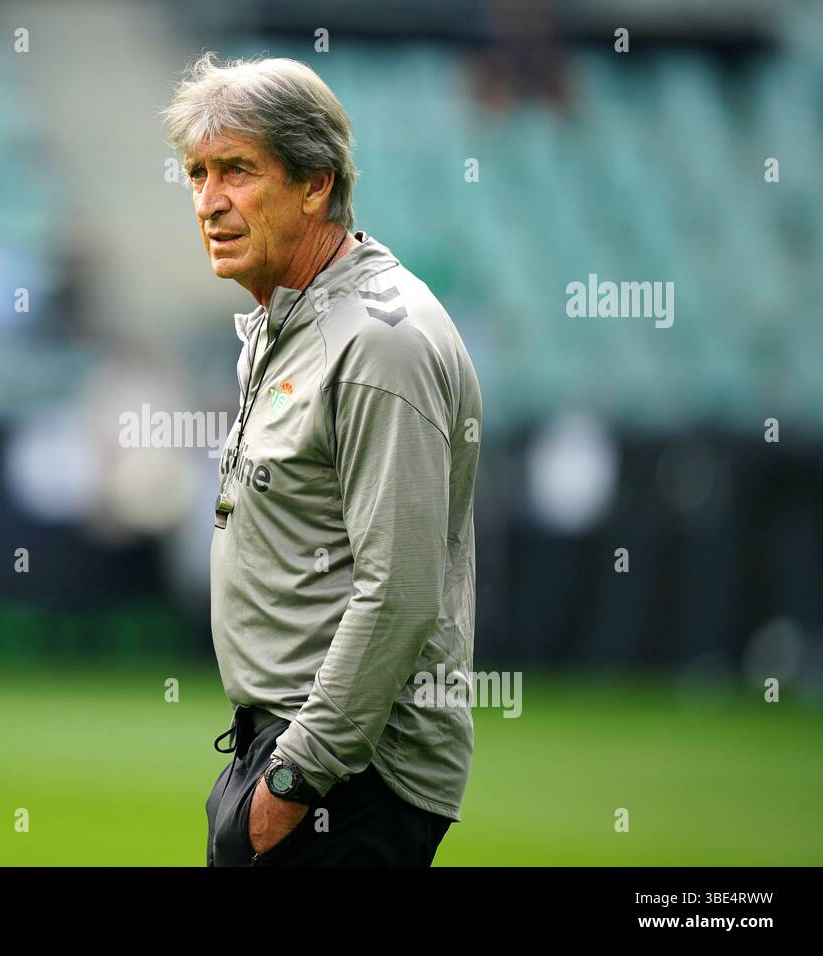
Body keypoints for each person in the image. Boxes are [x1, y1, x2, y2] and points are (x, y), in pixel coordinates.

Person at [160, 52, 483, 866]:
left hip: (349, 777)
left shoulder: (380, 341)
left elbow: (400, 591)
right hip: (287, 755)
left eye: (237, 171)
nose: (210, 202)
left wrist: (293, 784)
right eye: (197, 174)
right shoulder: (285, 319)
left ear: (317, 184)